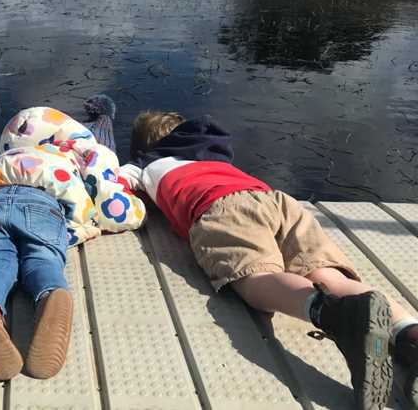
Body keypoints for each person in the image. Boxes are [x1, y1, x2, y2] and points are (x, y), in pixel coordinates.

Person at [123, 110, 418, 410]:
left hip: (221, 209)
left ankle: (336, 316)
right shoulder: (214, 157)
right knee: (330, 276)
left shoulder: (147, 164)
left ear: (145, 148)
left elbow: (110, 186)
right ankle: (410, 332)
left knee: (256, 278)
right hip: (276, 201)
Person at [0, 102, 146, 381]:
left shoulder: (8, 158)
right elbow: (111, 206)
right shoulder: (75, 153)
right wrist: (135, 211)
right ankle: (50, 294)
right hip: (43, 203)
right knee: (42, 257)